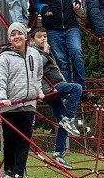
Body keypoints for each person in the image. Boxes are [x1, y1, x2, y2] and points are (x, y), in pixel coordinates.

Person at [0, 22, 46, 178]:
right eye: (13, 35)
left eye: (19, 34)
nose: (17, 37)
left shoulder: (34, 54)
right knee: (9, 140)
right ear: (9, 39)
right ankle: (8, 171)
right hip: (10, 105)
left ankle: (18, 176)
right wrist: (2, 98)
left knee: (23, 141)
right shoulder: (4, 58)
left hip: (28, 104)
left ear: (26, 36)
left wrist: (38, 91)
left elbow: (38, 76)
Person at [30, 26, 84, 169]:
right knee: (77, 88)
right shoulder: (34, 52)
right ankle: (69, 118)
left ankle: (59, 153)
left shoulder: (44, 51)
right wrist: (46, 54)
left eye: (45, 36)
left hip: (55, 88)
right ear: (32, 40)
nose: (43, 39)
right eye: (40, 37)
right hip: (51, 88)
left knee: (62, 123)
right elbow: (36, 67)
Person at [32, 0, 84, 86]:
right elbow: (36, 3)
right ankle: (67, 88)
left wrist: (75, 2)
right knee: (61, 60)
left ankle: (81, 86)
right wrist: (43, 8)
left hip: (71, 24)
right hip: (52, 27)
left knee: (77, 53)